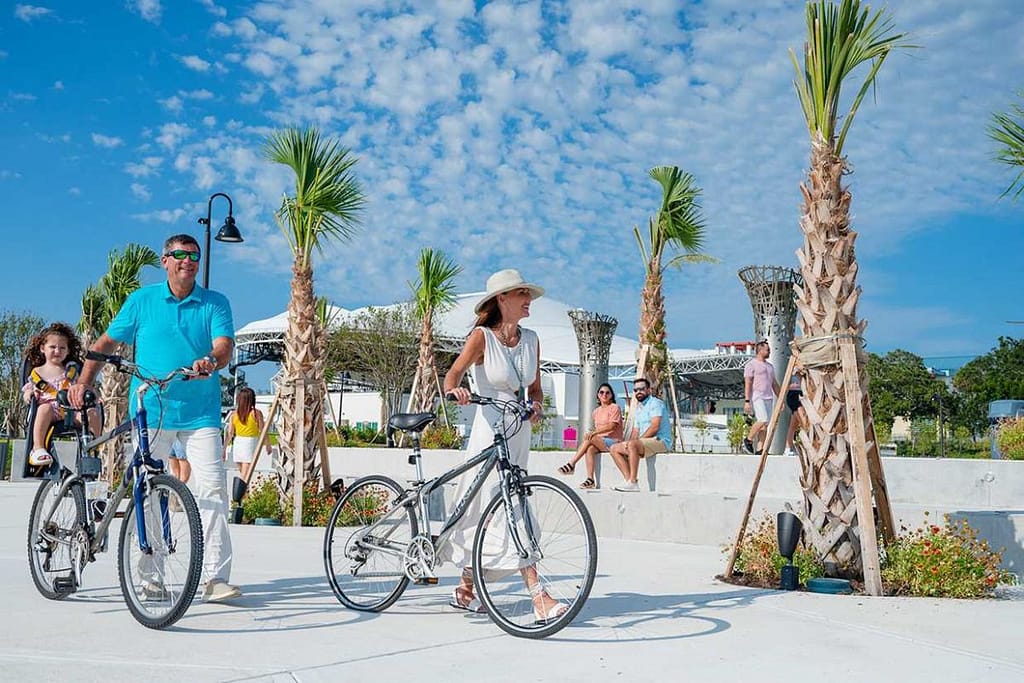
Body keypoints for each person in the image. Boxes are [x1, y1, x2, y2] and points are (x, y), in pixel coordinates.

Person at [68, 233, 241, 604]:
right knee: (147, 492)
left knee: (212, 489)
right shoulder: (142, 301)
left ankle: (215, 577)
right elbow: (105, 345)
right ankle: (150, 577)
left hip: (201, 413)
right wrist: (83, 381)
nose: (187, 261)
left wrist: (210, 361)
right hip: (151, 410)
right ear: (165, 260)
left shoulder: (214, 303)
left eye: (193, 255)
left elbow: (224, 346)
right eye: (179, 255)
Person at [443, 268, 566, 622]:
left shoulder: (532, 340)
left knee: (507, 507)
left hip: (518, 431)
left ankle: (467, 588)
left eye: (527, 292)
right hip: (489, 430)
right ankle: (538, 595)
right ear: (502, 299)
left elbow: (537, 388)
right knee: (500, 508)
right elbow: (453, 374)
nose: (528, 300)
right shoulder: (481, 337)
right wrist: (458, 390)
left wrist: (538, 406)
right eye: (521, 293)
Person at [22, 322, 101, 465]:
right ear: (42, 349)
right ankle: (38, 447)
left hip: (72, 408)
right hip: (51, 410)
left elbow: (83, 386)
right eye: (52, 347)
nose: (57, 351)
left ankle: (94, 446)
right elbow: (28, 388)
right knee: (43, 409)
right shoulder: (37, 372)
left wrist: (94, 395)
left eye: (62, 348)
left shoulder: (71, 371)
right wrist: (28, 393)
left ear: (67, 351)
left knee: (92, 413)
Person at [608, 377, 671, 492]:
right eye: (636, 390)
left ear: (649, 390)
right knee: (614, 448)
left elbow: (654, 427)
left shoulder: (655, 403)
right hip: (645, 443)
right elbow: (635, 431)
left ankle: (632, 481)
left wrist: (635, 443)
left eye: (641, 389)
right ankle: (629, 481)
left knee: (632, 445)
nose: (638, 392)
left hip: (660, 441)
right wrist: (627, 443)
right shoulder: (639, 408)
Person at [557, 382, 623, 489]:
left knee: (590, 437)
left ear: (611, 395)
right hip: (601, 441)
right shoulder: (596, 412)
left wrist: (594, 433)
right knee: (590, 449)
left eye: (607, 393)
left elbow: (612, 426)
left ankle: (572, 463)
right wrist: (594, 434)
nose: (604, 395)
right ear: (598, 395)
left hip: (614, 441)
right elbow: (598, 430)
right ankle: (590, 479)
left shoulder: (614, 407)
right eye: (601, 392)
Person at [743, 341, 780, 455]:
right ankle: (748, 440)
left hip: (768, 397)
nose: (769, 352)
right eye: (767, 350)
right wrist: (747, 401)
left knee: (765, 425)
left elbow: (774, 383)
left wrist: (781, 399)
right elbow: (748, 383)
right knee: (763, 419)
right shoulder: (751, 365)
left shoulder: (770, 366)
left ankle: (760, 449)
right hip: (757, 396)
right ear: (760, 350)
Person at [223, 387, 266, 481]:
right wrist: (268, 445)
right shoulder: (256, 413)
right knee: (245, 476)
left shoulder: (234, 414)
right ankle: (242, 495)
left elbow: (230, 433)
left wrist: (224, 449)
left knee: (243, 473)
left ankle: (244, 494)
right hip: (250, 443)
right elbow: (263, 430)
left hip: (238, 443)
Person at [784, 368, 806, 457]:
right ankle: (805, 446)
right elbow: (785, 382)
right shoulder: (791, 366)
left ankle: (788, 447)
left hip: (803, 394)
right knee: (803, 421)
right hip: (794, 394)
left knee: (794, 424)